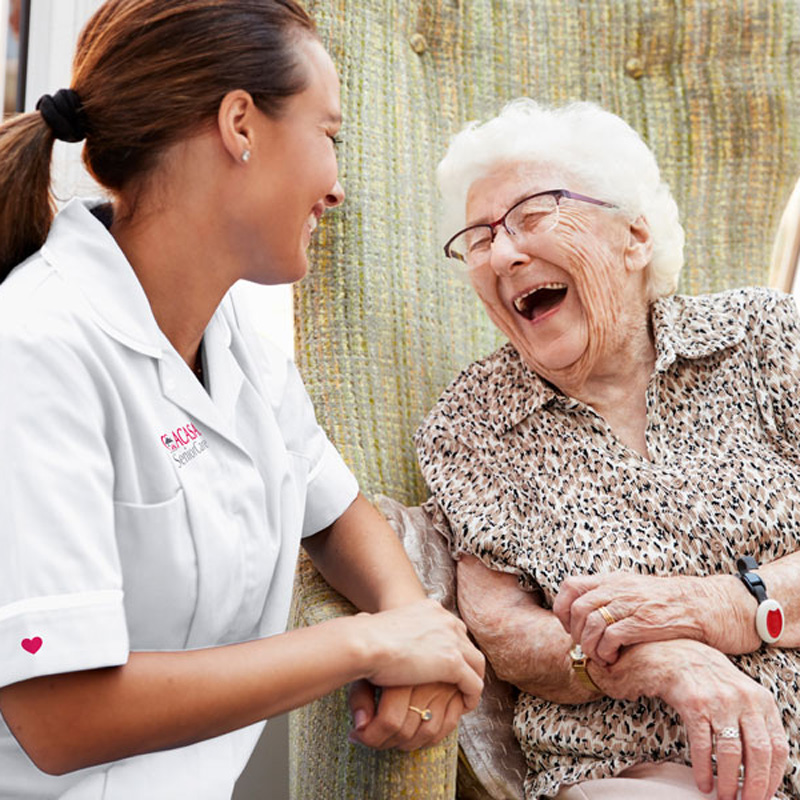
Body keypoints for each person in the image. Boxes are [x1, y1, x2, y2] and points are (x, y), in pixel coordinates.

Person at [0, 2, 485, 798]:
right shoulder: (37, 347)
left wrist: (414, 621)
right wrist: (366, 645)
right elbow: (59, 717)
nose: (337, 186)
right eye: (330, 135)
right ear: (240, 125)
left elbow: (333, 511)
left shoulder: (230, 341)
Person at [414, 98, 799, 800]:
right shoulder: (472, 422)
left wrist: (713, 608)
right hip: (644, 773)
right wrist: (663, 663)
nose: (503, 252)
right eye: (479, 237)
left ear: (636, 237)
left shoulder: (767, 339)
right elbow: (503, 632)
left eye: (533, 215)